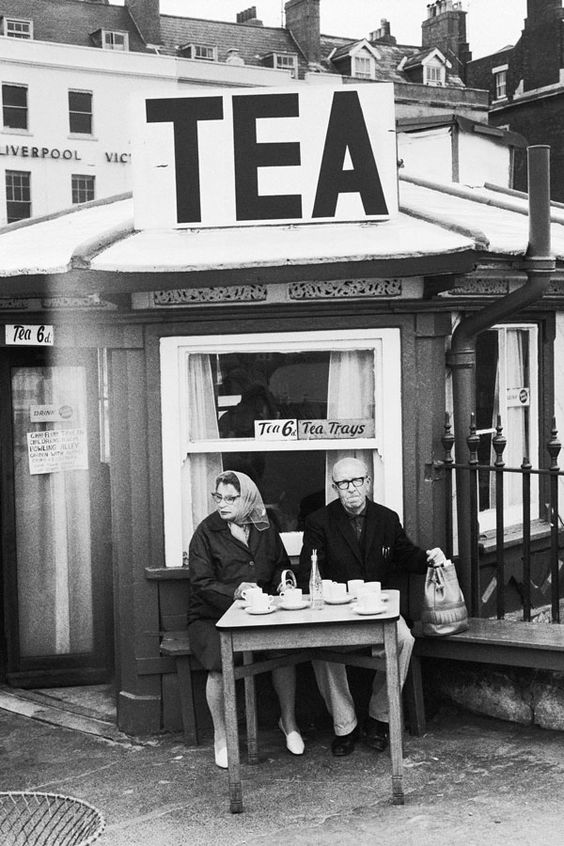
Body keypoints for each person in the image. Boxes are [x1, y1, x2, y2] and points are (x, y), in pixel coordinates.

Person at [299, 457, 446, 758]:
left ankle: (379, 720)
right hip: (338, 611)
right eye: (343, 483)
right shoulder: (319, 522)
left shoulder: (386, 519)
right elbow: (309, 571)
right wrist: (330, 594)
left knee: (404, 639)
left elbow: (405, 554)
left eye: (356, 482)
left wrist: (428, 558)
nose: (350, 489)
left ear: (367, 483)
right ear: (334, 488)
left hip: (379, 609)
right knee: (320, 648)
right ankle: (345, 726)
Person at [188, 470, 305, 768]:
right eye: (219, 497)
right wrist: (234, 591)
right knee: (218, 663)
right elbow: (201, 584)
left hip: (260, 611)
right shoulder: (206, 532)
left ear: (248, 499)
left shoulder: (264, 528)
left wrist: (284, 581)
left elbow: (279, 564)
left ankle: (289, 723)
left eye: (231, 498)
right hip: (212, 616)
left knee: (284, 652)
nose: (223, 504)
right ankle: (222, 737)